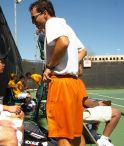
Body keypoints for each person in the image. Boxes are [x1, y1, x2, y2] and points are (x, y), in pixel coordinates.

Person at [29, 1, 86, 146]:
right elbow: (82, 50)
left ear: (45, 13)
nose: (33, 22)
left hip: (61, 84)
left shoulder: (52, 23)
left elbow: (63, 42)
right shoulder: (66, 26)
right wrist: (73, 63)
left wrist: (49, 66)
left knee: (62, 135)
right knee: (75, 133)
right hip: (73, 84)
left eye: (34, 17)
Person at [78, 63, 121, 146]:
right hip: (79, 113)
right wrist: (98, 103)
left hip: (69, 113)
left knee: (98, 108)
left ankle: (92, 133)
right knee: (116, 112)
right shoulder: (77, 81)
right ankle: (104, 140)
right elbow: (87, 102)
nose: (82, 68)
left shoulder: (62, 81)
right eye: (81, 66)